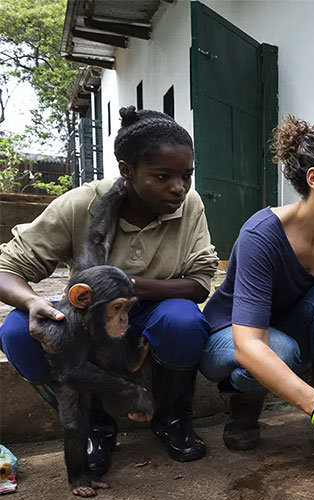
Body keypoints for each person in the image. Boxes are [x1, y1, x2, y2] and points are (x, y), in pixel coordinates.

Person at [0, 107, 219, 472]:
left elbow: (198, 284)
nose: (178, 187)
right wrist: (33, 300)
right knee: (16, 332)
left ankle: (173, 419)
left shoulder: (189, 206)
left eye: (186, 176)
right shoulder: (82, 204)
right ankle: (93, 427)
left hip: (152, 309)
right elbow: (7, 268)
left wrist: (130, 287)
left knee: (183, 321)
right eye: (162, 176)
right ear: (127, 170)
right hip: (90, 315)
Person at [199, 116, 314, 465]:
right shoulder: (261, 234)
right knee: (279, 348)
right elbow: (249, 345)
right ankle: (245, 412)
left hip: (289, 333)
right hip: (230, 336)